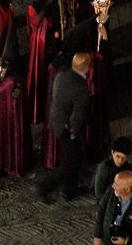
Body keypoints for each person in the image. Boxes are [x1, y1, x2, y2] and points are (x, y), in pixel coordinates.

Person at [36, 51, 92, 203]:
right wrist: (74, 132)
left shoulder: (61, 74)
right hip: (67, 129)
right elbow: (77, 117)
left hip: (56, 122)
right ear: (86, 68)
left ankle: (70, 190)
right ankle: (45, 186)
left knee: (74, 159)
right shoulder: (81, 90)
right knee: (71, 162)